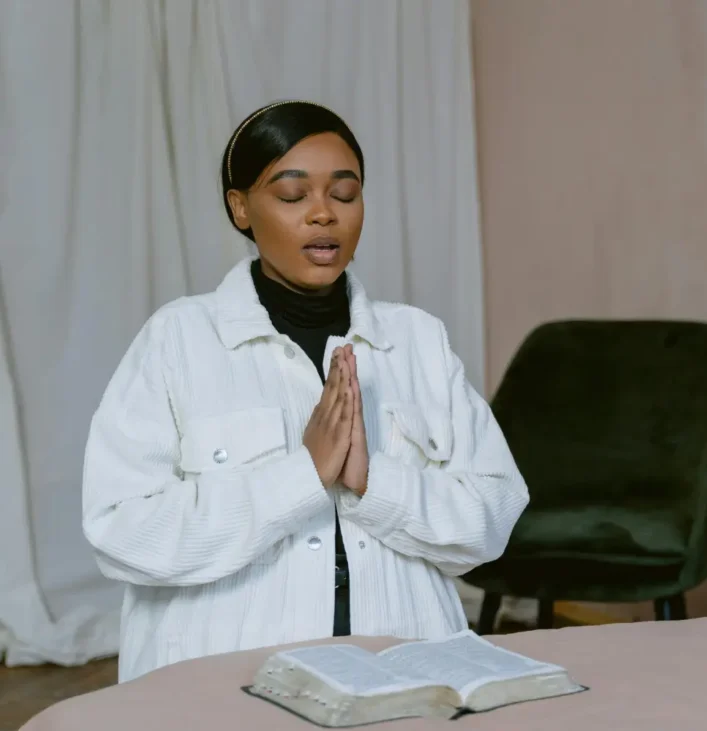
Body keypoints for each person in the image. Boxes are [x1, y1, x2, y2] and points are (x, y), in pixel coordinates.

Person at [82, 100, 529, 683]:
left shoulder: (418, 340)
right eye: (293, 197)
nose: (324, 215)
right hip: (224, 685)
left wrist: (375, 483)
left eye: (345, 195)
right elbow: (122, 533)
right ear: (240, 207)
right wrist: (303, 475)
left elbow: (492, 518)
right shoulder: (178, 341)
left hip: (404, 676)